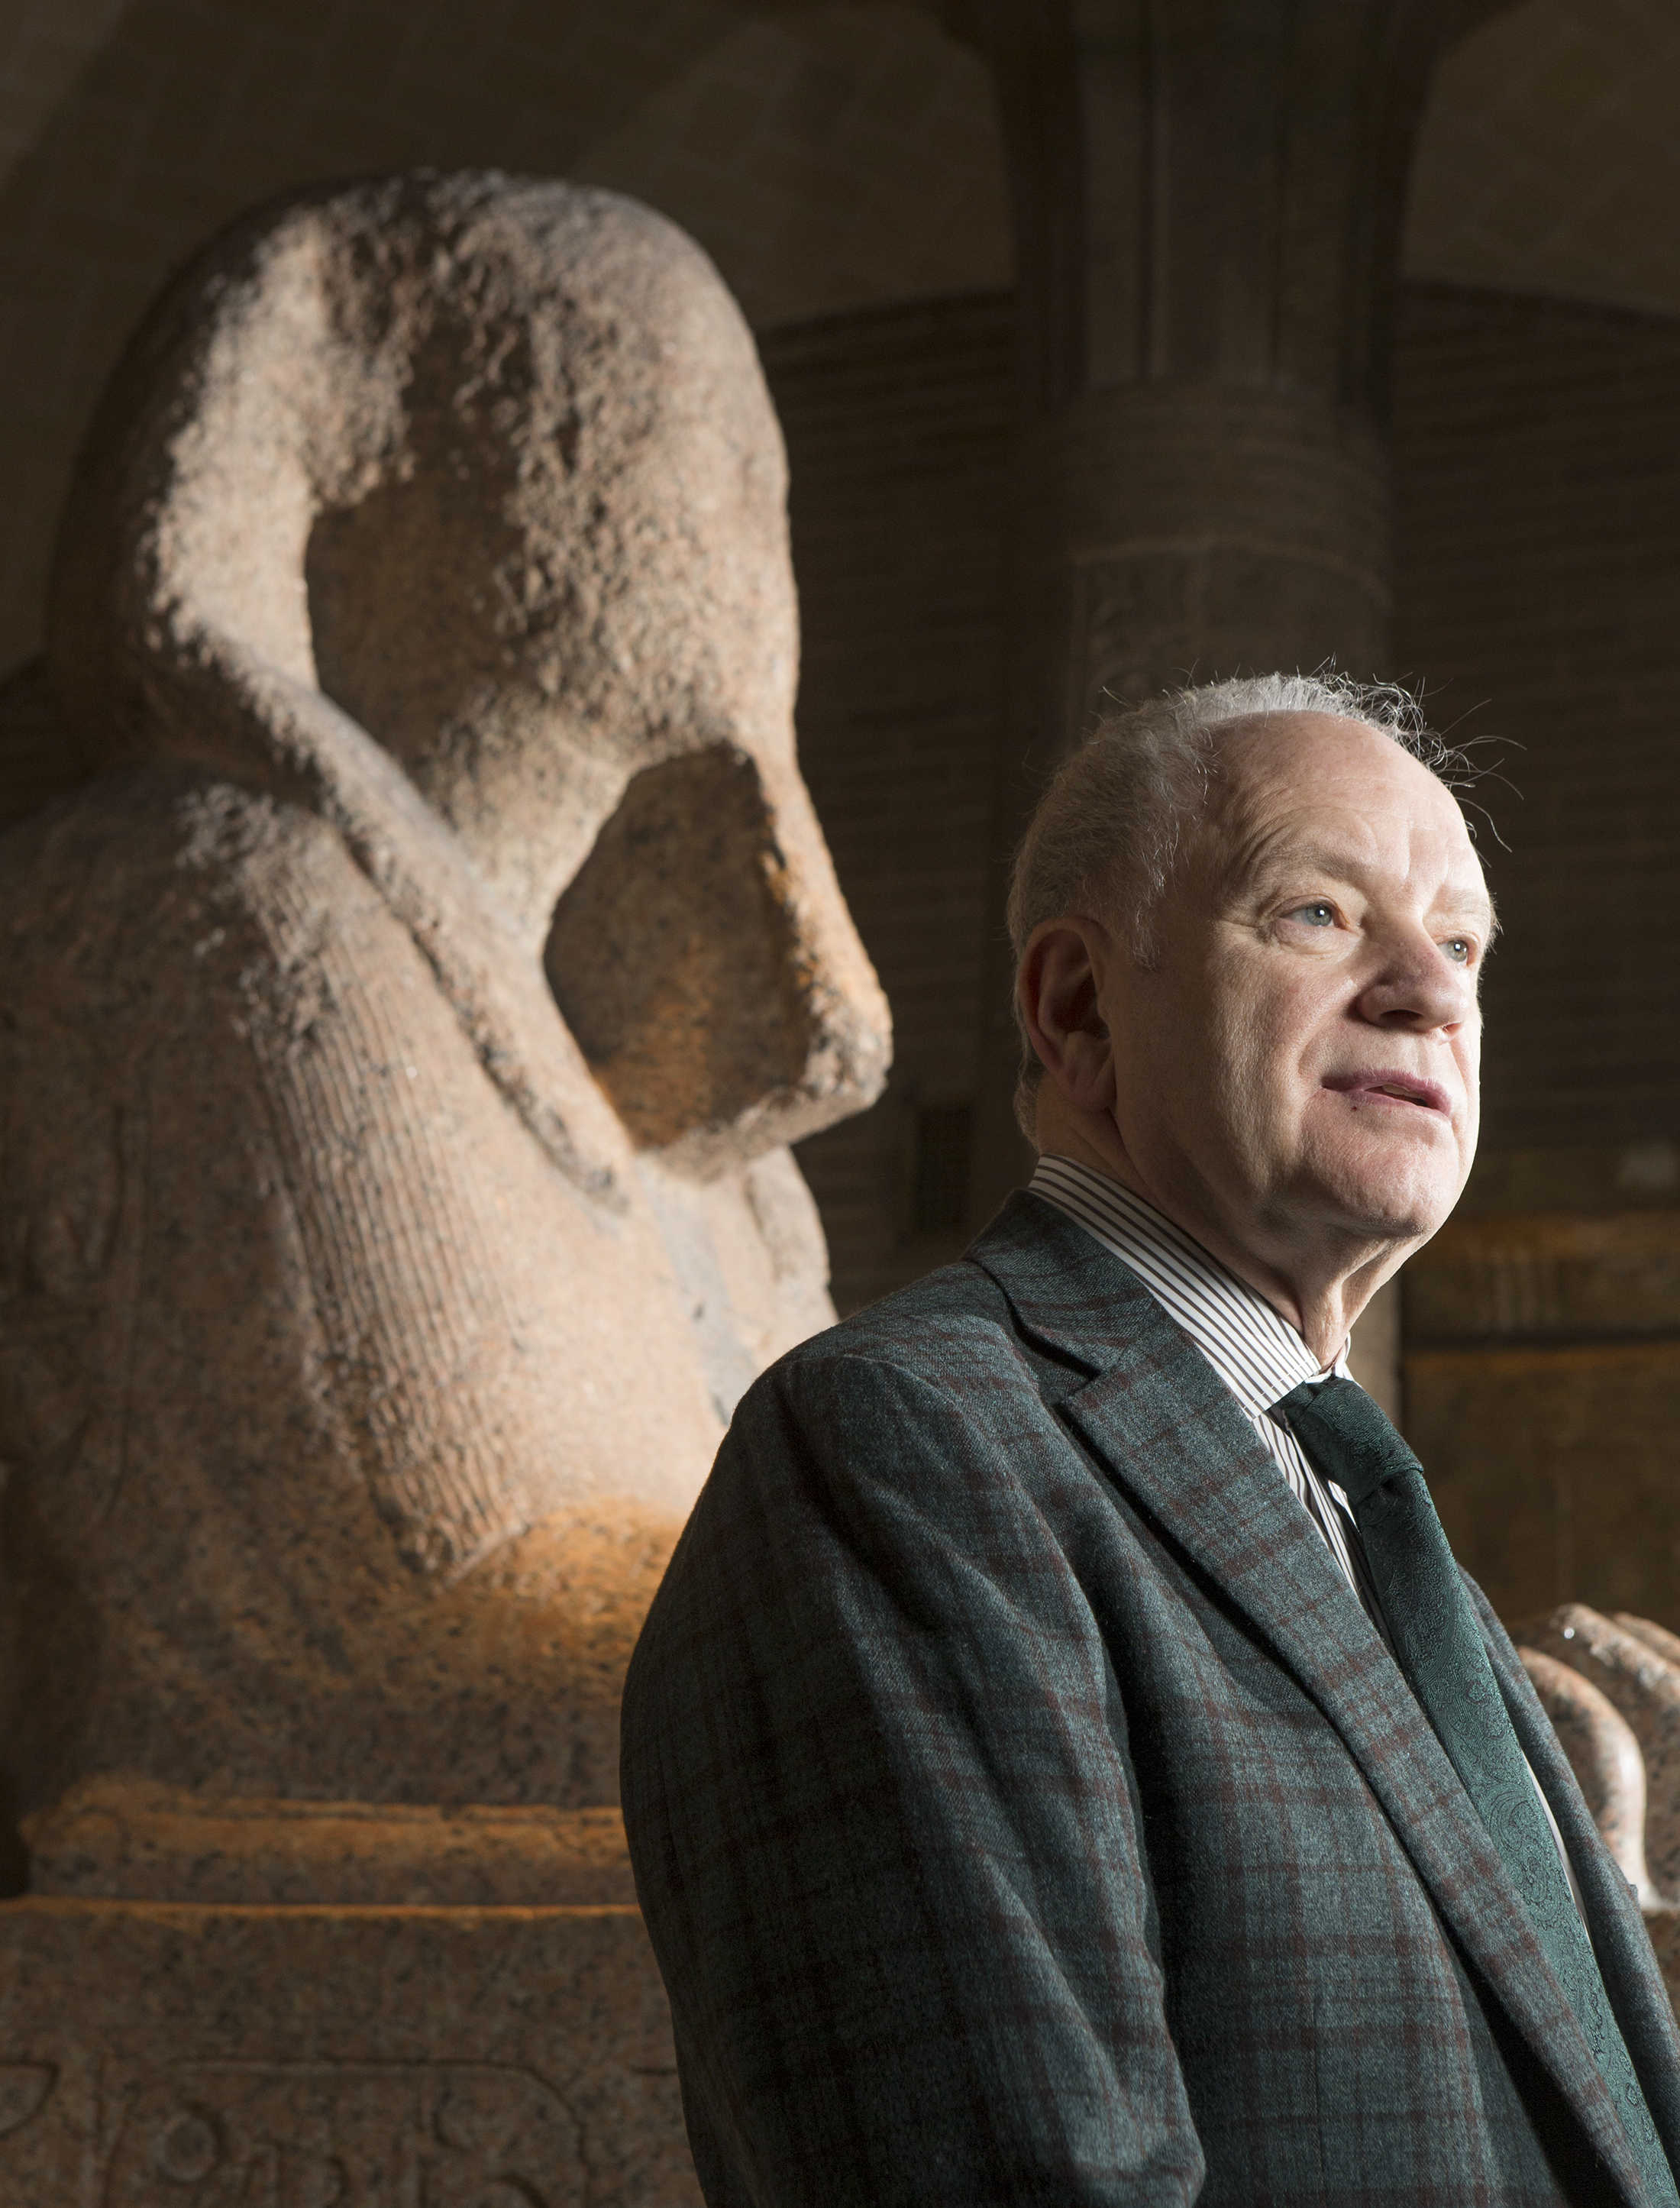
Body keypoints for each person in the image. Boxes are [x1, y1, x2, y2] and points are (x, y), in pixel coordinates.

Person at [620, 672, 1680, 2206]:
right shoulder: (901, 1448)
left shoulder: (1352, 1496)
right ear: (1075, 1007)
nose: (1427, 993)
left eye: (1459, 944)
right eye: (1318, 913)